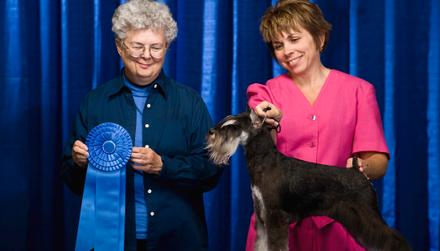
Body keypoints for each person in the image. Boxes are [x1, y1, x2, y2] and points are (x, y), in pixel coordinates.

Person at [61, 0, 221, 250]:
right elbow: (70, 179)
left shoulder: (190, 102)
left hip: (177, 239)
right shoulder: (95, 102)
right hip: (113, 241)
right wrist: (79, 162)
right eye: (137, 46)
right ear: (119, 47)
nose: (147, 55)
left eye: (156, 47)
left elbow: (211, 171)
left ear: (166, 47)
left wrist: (163, 166)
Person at [245, 0, 389, 250]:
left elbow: (378, 160)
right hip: (280, 228)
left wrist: (362, 166)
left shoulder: (359, 91)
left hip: (341, 225)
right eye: (278, 45)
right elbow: (258, 107)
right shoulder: (266, 92)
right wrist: (262, 115)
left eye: (294, 39)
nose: (287, 51)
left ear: (320, 37)